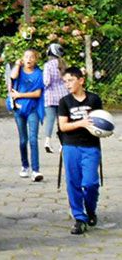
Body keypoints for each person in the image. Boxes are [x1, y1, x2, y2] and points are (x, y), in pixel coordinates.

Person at [58, 67, 104, 235]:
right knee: (73, 183)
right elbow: (63, 126)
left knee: (90, 183)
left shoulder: (94, 99)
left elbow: (101, 121)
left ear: (81, 81)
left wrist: (104, 129)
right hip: (71, 146)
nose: (67, 84)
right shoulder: (64, 102)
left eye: (70, 80)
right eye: (65, 82)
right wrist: (81, 123)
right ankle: (79, 217)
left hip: (90, 147)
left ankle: (91, 209)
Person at [9, 49, 46, 182]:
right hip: (19, 110)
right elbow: (12, 77)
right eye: (26, 57)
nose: (29, 59)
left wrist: (20, 95)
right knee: (23, 140)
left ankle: (36, 170)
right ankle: (24, 165)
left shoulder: (38, 74)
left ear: (36, 59)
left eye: (31, 57)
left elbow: (37, 93)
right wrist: (17, 65)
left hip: (33, 109)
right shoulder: (19, 71)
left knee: (33, 139)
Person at [43, 43, 68, 153]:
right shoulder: (63, 64)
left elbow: (46, 82)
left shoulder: (48, 65)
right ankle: (62, 144)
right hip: (63, 95)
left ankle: (47, 141)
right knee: (61, 121)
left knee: (50, 120)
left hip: (50, 96)